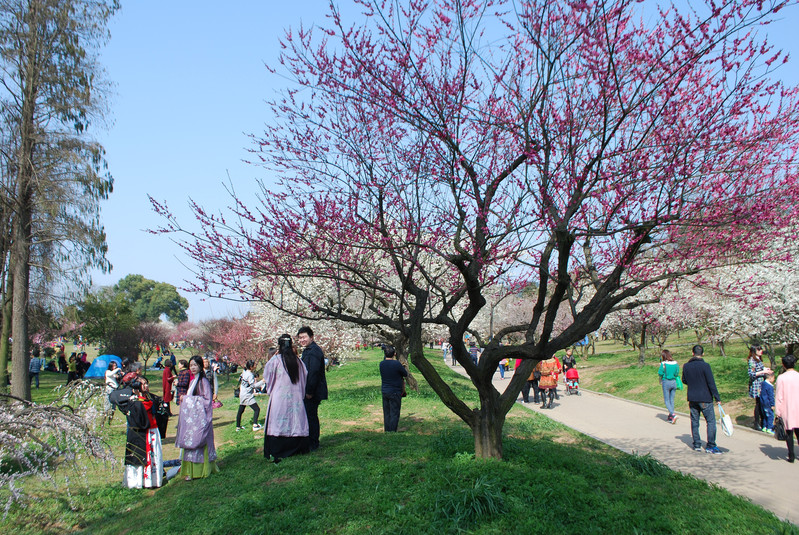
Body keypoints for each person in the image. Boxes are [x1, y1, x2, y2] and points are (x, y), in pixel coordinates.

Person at [263, 334, 309, 462]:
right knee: (295, 421)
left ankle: (278, 451)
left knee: (279, 422)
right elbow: (304, 376)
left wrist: (270, 390)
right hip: (296, 397)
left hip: (279, 398)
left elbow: (267, 376)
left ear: (279, 346)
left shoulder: (275, 360)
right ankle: (298, 448)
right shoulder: (298, 361)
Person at [175, 355, 219, 480]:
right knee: (191, 443)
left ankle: (200, 471)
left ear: (200, 366)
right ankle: (190, 471)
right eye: (191, 365)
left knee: (199, 443)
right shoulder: (193, 381)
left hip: (201, 419)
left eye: (195, 365)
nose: (193, 368)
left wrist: (188, 399)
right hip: (193, 420)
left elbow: (207, 401)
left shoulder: (203, 382)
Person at [121, 377, 163, 488]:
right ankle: (139, 481)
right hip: (141, 433)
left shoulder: (150, 398)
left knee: (153, 456)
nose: (146, 386)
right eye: (143, 384)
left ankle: (153, 480)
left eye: (146, 384)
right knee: (141, 456)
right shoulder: (133, 400)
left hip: (153, 430)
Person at [682, 345, 722, 454]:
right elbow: (711, 383)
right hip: (705, 397)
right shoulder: (705, 366)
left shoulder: (686, 366)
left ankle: (697, 444)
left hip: (692, 398)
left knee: (695, 421)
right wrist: (717, 397)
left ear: (692, 353)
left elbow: (684, 380)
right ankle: (711, 445)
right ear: (703, 354)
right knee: (710, 421)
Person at [298, 326, 327, 452]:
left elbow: (313, 373)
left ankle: (313, 443)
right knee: (310, 416)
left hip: (313, 391)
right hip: (309, 389)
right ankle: (311, 441)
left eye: (304, 337)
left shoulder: (314, 351)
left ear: (311, 337)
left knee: (311, 416)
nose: (302, 340)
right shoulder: (307, 350)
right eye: (300, 338)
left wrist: (309, 391)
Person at [775, 354, 799, 462]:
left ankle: (791, 455)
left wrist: (778, 411)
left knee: (788, 432)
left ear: (783, 365)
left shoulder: (781, 378)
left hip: (787, 408)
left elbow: (779, 396)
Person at [379, 345, 408, 432]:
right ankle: (392, 431)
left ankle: (387, 430)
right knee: (394, 412)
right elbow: (405, 374)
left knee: (387, 412)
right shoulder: (396, 364)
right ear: (394, 354)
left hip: (385, 390)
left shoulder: (382, 364)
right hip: (395, 391)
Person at [748, 345, 771, 430]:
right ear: (754, 351)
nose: (761, 351)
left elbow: (759, 368)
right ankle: (757, 423)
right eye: (759, 349)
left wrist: (765, 369)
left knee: (761, 402)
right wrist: (763, 371)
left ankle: (762, 422)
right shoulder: (752, 360)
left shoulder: (758, 359)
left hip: (761, 383)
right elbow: (751, 374)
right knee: (758, 403)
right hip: (756, 384)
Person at [236, 360, 263, 431]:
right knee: (257, 409)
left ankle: (238, 427)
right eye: (254, 365)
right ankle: (255, 425)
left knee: (240, 410)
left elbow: (240, 379)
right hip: (247, 395)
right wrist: (262, 382)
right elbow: (253, 386)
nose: (255, 366)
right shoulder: (250, 375)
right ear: (251, 367)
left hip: (242, 393)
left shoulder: (244, 372)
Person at [658, 349, 680, 424]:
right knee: (672, 400)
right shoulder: (675, 363)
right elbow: (677, 373)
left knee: (667, 400)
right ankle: (671, 416)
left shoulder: (663, 364)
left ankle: (673, 414)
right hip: (673, 382)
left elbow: (660, 373)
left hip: (666, 382)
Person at [159, 360, 176, 438]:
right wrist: (173, 377)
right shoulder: (167, 370)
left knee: (167, 398)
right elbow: (168, 379)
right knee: (167, 399)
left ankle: (168, 411)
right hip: (167, 386)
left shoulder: (165, 369)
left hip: (166, 386)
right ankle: (167, 411)